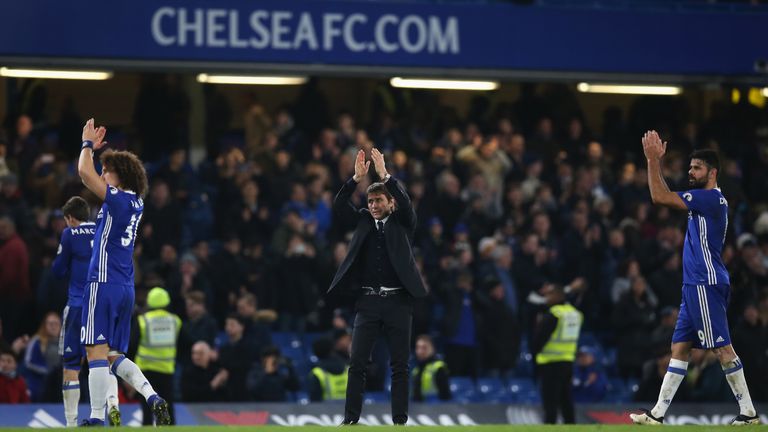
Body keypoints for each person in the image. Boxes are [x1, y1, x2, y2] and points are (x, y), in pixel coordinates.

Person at [630, 131, 759, 425]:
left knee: (722, 347)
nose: (690, 172)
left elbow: (658, 197)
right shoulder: (704, 200)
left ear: (712, 173)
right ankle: (657, 414)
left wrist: (652, 161)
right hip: (694, 284)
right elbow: (665, 194)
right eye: (690, 167)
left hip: (705, 282)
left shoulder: (710, 199)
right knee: (679, 348)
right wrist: (659, 166)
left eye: (697, 167)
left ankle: (749, 413)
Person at [76, 119, 169, 426]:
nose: (103, 175)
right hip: (125, 287)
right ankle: (152, 395)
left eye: (108, 171)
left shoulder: (118, 201)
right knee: (114, 356)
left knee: (95, 353)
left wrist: (87, 145)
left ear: (120, 177)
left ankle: (95, 417)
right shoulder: (136, 203)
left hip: (102, 284)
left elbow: (84, 174)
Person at [327, 149, 428, 425]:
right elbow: (338, 205)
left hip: (398, 302)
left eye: (378, 200)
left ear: (390, 202)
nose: (372, 205)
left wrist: (385, 176)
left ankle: (399, 421)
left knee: (399, 365)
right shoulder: (362, 221)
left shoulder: (403, 222)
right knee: (357, 362)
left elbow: (408, 204)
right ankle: (350, 420)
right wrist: (355, 180)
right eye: (370, 200)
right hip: (368, 302)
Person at [52, 196, 120, 426]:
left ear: (70, 218)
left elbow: (58, 270)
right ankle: (112, 404)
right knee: (102, 357)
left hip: (78, 304)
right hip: (103, 304)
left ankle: (71, 424)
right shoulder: (104, 231)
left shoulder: (70, 234)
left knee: (71, 364)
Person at [531, 283, 583, 424]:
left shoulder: (554, 314)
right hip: (567, 361)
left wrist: (535, 353)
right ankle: (571, 426)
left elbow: (539, 338)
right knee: (566, 399)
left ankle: (550, 427)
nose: (546, 298)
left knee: (550, 402)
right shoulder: (575, 314)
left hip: (551, 362)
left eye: (548, 295)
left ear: (556, 295)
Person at [133, 287, 181, 425]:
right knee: (168, 409)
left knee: (147, 408)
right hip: (166, 370)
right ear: (167, 302)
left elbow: (132, 345)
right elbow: (185, 343)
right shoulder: (175, 321)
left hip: (145, 371)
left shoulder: (143, 320)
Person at [411, 335, 451, 402]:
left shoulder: (439, 367)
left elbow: (446, 396)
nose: (420, 351)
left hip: (436, 409)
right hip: (418, 409)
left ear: (433, 349)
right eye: (418, 347)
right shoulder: (416, 370)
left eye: (424, 348)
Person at [308, 337, 348, 402]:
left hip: (326, 411)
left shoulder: (317, 373)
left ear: (315, 353)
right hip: (351, 410)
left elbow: (314, 402)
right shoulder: (348, 368)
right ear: (332, 350)